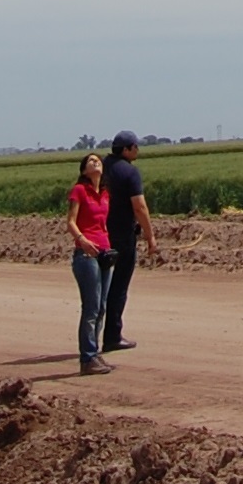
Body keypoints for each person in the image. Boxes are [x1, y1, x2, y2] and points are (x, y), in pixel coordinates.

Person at [102, 131, 158, 351]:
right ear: (126, 149)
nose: (138, 150)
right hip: (122, 235)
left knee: (98, 287)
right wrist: (150, 236)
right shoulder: (130, 172)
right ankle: (112, 336)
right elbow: (140, 207)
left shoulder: (100, 167)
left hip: (98, 233)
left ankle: (89, 339)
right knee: (119, 286)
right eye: (135, 146)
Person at [66, 153, 115, 375]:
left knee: (102, 306)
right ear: (84, 170)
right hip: (86, 255)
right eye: (91, 162)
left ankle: (95, 354)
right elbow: (71, 222)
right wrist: (82, 240)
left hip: (104, 251)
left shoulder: (105, 193)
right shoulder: (79, 191)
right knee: (91, 307)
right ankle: (87, 358)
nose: (96, 163)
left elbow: (103, 223)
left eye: (98, 161)